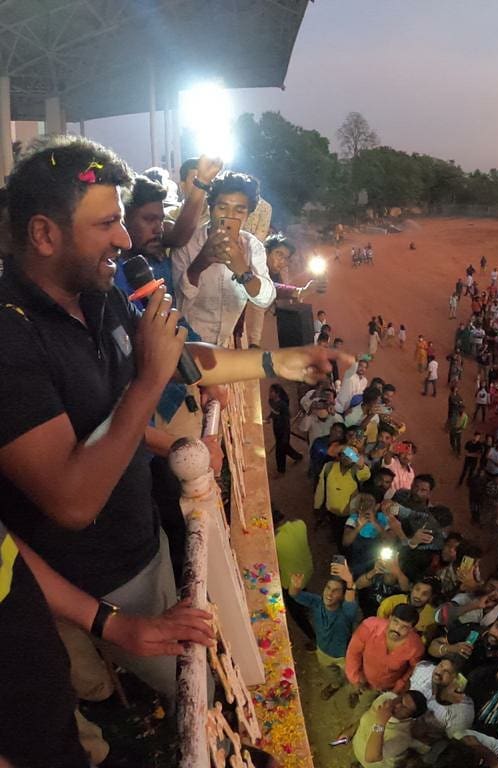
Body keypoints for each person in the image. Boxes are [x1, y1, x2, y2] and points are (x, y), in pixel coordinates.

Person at [0, 135, 350, 705]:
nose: (125, 237)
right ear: (44, 234)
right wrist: (146, 383)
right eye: (107, 223)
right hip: (94, 581)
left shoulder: (99, 292)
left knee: (203, 664)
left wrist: (273, 361)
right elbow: (72, 500)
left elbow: (178, 355)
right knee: (196, 696)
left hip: (144, 536)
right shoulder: (10, 338)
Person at [0, 520, 213, 768]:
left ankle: (100, 746)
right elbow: (75, 509)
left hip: (41, 683)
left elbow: (9, 552)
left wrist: (106, 622)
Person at [171, 171, 276, 345]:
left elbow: (265, 298)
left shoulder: (252, 246)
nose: (230, 216)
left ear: (248, 215)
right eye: (222, 207)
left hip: (226, 345)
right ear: (211, 207)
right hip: (186, 344)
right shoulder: (188, 243)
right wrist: (199, 264)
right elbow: (178, 304)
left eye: (240, 210)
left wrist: (242, 270)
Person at [288, 560, 357, 700]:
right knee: (331, 673)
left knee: (353, 678)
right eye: (328, 588)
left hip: (344, 656)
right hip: (323, 651)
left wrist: (350, 583)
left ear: (343, 596)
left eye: (336, 590)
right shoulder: (317, 602)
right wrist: (294, 586)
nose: (329, 594)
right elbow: (295, 595)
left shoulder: (346, 612)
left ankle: (354, 693)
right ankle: (336, 685)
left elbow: (351, 604)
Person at [345, 603, 425, 707]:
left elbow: (413, 669)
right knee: (362, 700)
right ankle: (356, 696)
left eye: (404, 627)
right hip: (364, 679)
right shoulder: (369, 626)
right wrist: (355, 679)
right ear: (390, 618)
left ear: (411, 630)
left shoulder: (415, 647)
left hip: (389, 687)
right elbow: (353, 653)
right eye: (395, 622)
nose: (397, 629)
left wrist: (397, 688)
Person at [350, 690, 429, 768]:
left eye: (404, 707)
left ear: (410, 717)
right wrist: (351, 729)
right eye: (400, 700)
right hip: (357, 745)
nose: (397, 705)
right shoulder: (385, 698)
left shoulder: (402, 737)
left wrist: (381, 722)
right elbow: (368, 716)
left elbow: (371, 757)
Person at [272, 508, 315, 647]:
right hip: (307, 571)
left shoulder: (275, 542)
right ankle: (306, 606)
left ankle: (313, 638)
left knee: (296, 613)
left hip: (291, 583)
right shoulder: (300, 525)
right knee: (304, 593)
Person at [313, 445, 371, 543]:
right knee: (335, 527)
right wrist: (317, 505)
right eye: (343, 455)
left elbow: (366, 475)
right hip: (331, 509)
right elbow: (321, 488)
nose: (346, 458)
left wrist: (361, 466)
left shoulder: (357, 471)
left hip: (348, 513)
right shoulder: (329, 467)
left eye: (350, 456)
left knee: (346, 533)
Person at [409, 657, 475, 738]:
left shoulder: (462, 711)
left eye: (447, 672)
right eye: (440, 665)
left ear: (458, 680)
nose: (439, 672)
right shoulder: (423, 669)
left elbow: (454, 742)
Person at [377, 578, 439, 643]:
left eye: (425, 594)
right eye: (417, 590)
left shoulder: (432, 616)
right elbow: (378, 627)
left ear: (431, 597)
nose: (418, 596)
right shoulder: (390, 602)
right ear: (411, 588)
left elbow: (423, 642)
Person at [267, 383, 303, 474]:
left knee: (280, 451)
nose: (269, 393)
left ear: (277, 393)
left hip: (283, 430)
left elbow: (287, 421)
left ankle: (281, 470)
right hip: (276, 428)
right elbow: (273, 412)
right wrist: (269, 417)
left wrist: (285, 435)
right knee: (285, 447)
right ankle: (298, 457)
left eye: (272, 392)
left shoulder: (283, 405)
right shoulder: (271, 401)